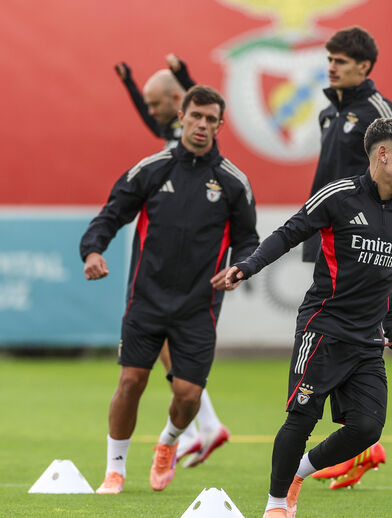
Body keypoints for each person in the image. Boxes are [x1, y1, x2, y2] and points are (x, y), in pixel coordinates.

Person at [222, 117, 392, 518]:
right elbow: (289, 232)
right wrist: (248, 266)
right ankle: (276, 504)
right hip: (324, 329)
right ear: (382, 155)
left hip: (367, 338)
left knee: (367, 428)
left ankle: (300, 472)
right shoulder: (339, 195)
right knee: (302, 417)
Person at [82, 85, 259, 494]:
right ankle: (115, 470)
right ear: (182, 115)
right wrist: (92, 251)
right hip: (146, 299)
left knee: (188, 395)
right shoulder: (152, 168)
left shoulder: (232, 182)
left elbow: (249, 241)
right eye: (196, 116)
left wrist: (240, 269)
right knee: (131, 382)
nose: (201, 125)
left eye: (210, 119)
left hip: (199, 306)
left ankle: (168, 444)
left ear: (219, 125)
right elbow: (110, 216)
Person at [117, 54, 230, 466]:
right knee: (161, 340)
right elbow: (155, 122)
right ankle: (206, 425)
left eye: (154, 102)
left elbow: (207, 100)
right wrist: (128, 84)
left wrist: (183, 73)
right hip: (163, 249)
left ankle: (206, 425)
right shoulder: (168, 140)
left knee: (165, 338)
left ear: (179, 101)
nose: (152, 113)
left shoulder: (202, 140)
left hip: (186, 256)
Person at [302, 26, 392, 264]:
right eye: (330, 59)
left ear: (363, 66)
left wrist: (390, 231)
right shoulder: (328, 114)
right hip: (328, 233)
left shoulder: (381, 112)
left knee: (361, 303)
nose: (331, 67)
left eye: (340, 61)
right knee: (324, 302)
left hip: (363, 238)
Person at [115, 54, 195, 148]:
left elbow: (204, 102)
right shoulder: (170, 127)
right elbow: (151, 121)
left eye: (156, 104)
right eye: (150, 106)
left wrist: (182, 76)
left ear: (176, 98)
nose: (151, 112)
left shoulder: (196, 122)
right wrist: (128, 82)